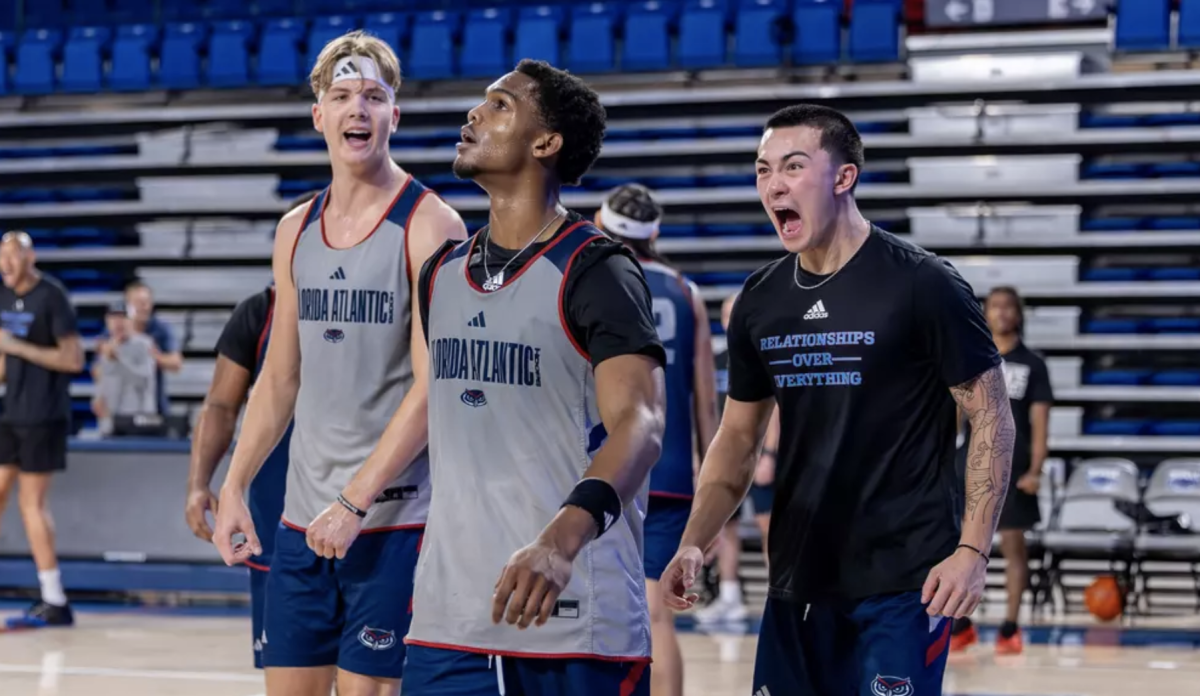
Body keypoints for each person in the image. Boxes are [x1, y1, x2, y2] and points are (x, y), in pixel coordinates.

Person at [659, 104, 1017, 696]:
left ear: (843, 177)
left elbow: (991, 419)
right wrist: (694, 542)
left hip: (905, 584)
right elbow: (738, 439)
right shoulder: (760, 299)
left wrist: (973, 551)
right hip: (798, 580)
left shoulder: (923, 284)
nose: (774, 184)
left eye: (793, 167)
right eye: (762, 170)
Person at [211, 32, 467, 696]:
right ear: (318, 114)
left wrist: (355, 503)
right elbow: (279, 378)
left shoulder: (430, 225)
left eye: (375, 97)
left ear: (395, 117)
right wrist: (234, 486)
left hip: (393, 522)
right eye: (344, 95)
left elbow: (434, 387)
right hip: (300, 519)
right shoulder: (295, 228)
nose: (360, 109)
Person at [402, 59, 665, 695]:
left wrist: (559, 540)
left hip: (572, 616)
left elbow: (642, 423)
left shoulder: (598, 269)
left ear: (545, 143)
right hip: (449, 615)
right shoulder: (439, 274)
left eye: (499, 106)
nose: (473, 114)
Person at [185, 190, 319, 670]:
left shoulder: (380, 306)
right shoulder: (257, 312)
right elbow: (221, 404)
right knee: (289, 672)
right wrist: (200, 484)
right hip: (275, 516)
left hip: (364, 514)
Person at [594, 183, 718, 696]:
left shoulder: (593, 279)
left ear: (601, 226)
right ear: (655, 234)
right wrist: (716, 485)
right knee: (657, 613)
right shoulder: (686, 292)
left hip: (604, 466)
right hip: (670, 472)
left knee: (595, 611)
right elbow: (707, 402)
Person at [950, 285, 1053, 656]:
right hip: (971, 466)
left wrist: (1036, 470)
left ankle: (1010, 626)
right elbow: (957, 416)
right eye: (995, 306)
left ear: (1019, 313)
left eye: (1009, 307)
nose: (1002, 313)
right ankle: (961, 624)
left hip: (1014, 469)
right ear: (985, 312)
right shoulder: (973, 359)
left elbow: (1041, 425)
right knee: (961, 544)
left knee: (1012, 548)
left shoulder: (1033, 365)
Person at [0, 231, 84, 629]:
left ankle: (55, 598)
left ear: (29, 257)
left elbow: (72, 359)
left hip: (43, 413)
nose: (7, 264)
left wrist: (17, 348)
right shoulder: (3, 297)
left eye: (14, 255)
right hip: (10, 411)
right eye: (2, 256)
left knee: (31, 503)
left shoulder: (52, 296)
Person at [694, 293, 775, 625]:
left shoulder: (764, 355)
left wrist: (769, 453)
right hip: (730, 455)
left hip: (762, 453)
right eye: (726, 315)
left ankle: (777, 596)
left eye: (734, 314)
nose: (730, 320)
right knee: (725, 527)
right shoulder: (716, 360)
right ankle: (729, 596)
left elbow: (778, 410)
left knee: (771, 528)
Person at [91, 299, 159, 435]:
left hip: (138, 421)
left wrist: (116, 358)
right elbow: (103, 377)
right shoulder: (106, 345)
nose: (118, 322)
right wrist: (97, 397)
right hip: (110, 421)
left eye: (123, 317)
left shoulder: (144, 344)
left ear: (132, 320)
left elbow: (143, 379)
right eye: (114, 317)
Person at [123, 280, 183, 416]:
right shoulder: (117, 330)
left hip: (154, 406)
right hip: (122, 406)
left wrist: (153, 357)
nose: (142, 307)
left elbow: (176, 363)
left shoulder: (161, 329)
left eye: (146, 302)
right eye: (137, 302)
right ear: (128, 305)